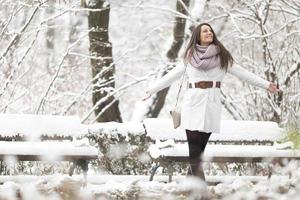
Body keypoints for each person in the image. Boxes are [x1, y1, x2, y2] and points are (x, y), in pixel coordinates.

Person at [142, 23, 280, 181]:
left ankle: (191, 187)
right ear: (198, 36)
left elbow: (243, 74)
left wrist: (266, 85)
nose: (209, 32)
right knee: (194, 150)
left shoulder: (223, 57)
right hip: (192, 103)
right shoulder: (189, 56)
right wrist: (151, 89)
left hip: (211, 104)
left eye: (210, 30)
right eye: (204, 31)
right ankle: (201, 191)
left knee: (199, 151)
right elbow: (171, 76)